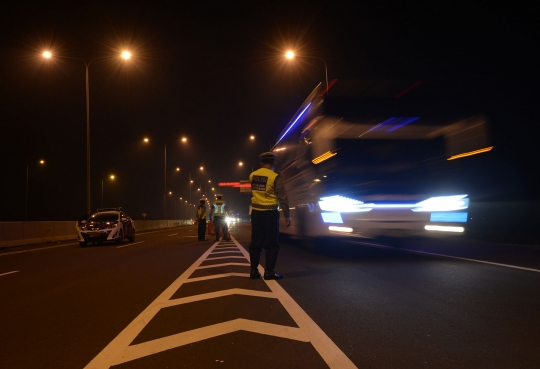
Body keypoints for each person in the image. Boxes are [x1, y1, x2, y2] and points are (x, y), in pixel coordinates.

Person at [249, 151, 291, 280]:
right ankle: (269, 272)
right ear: (274, 162)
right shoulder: (274, 176)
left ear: (261, 162)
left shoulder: (252, 175)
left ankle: (253, 271)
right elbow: (282, 197)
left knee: (256, 242)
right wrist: (287, 215)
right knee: (271, 243)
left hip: (256, 213)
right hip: (270, 213)